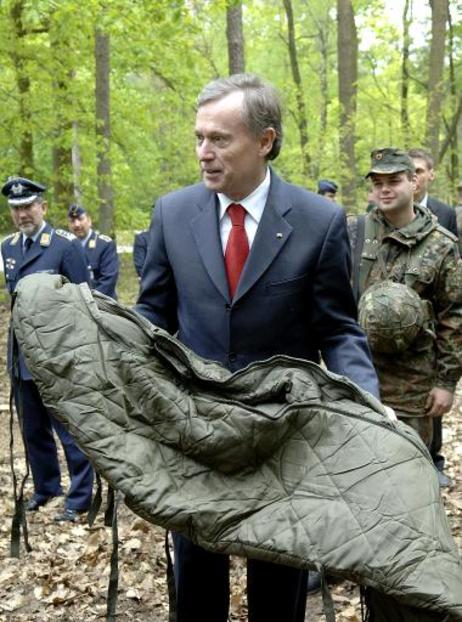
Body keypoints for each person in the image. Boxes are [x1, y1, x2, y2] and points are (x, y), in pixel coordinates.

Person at [135, 73, 380, 622]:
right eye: (199, 138)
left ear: (265, 141)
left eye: (220, 139)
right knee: (196, 582)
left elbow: (338, 329)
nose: (204, 153)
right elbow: (152, 316)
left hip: (282, 437)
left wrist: (366, 404)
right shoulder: (172, 215)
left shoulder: (319, 222)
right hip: (196, 434)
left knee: (279, 586)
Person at [348, 148, 462, 461]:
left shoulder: (441, 244)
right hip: (358, 376)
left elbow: (454, 317)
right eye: (377, 182)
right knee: (358, 468)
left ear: (414, 183)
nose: (384, 189)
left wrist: (446, 383)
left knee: (409, 470)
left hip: (413, 386)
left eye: (394, 181)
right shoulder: (353, 234)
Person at [1, 177, 94, 522]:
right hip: (22, 352)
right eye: (16, 208)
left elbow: (85, 301)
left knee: (68, 427)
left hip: (58, 354)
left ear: (43, 207)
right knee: (32, 428)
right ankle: (46, 488)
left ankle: (81, 496)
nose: (22, 214)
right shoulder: (9, 247)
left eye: (28, 206)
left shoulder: (64, 246)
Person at [408, 148, 458, 487]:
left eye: (420, 170)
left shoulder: (444, 212)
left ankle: (434, 459)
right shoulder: (377, 214)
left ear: (430, 175)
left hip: (435, 309)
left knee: (430, 398)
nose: (416, 177)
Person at [67, 204, 119, 298]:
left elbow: (108, 281)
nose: (77, 224)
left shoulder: (104, 245)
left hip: (102, 304)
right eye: (72, 221)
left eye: (80, 219)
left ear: (89, 220)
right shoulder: (65, 246)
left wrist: (89, 302)